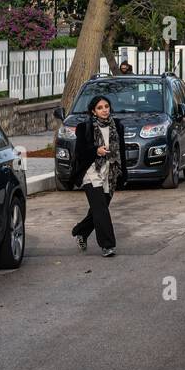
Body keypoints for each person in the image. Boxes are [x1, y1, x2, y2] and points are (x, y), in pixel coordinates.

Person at [70, 95, 126, 257]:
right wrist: (96, 150)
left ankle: (81, 231)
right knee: (100, 208)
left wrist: (123, 175)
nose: (104, 110)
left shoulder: (118, 126)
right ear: (93, 111)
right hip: (91, 170)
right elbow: (80, 152)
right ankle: (107, 245)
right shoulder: (84, 127)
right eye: (100, 108)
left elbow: (121, 152)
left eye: (106, 106)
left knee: (99, 208)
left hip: (110, 171)